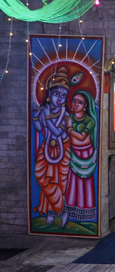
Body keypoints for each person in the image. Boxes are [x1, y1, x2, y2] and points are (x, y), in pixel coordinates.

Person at [32, 67, 73, 226]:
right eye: (56, 94)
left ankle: (51, 214)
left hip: (62, 148)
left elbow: (56, 131)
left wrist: (47, 115)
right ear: (49, 94)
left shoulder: (66, 116)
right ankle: (62, 210)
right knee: (42, 175)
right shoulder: (44, 111)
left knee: (58, 182)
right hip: (46, 148)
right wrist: (36, 118)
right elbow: (38, 128)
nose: (59, 98)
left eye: (63, 96)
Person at [64, 90, 98, 228]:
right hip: (74, 154)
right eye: (74, 101)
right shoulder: (69, 117)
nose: (76, 104)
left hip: (86, 156)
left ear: (85, 105)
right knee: (73, 184)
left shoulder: (90, 120)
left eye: (80, 102)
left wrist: (70, 128)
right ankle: (72, 213)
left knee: (86, 185)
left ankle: (86, 214)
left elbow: (82, 136)